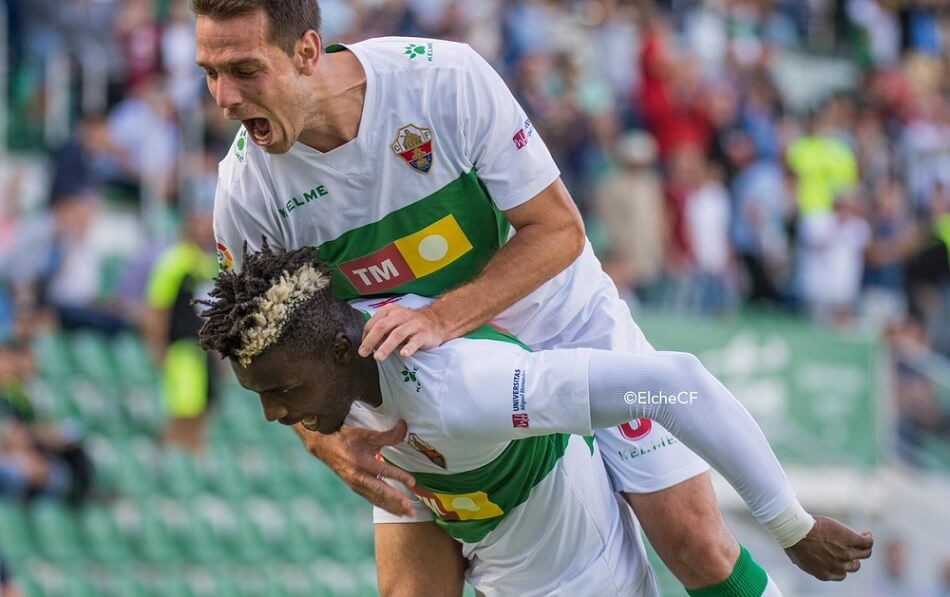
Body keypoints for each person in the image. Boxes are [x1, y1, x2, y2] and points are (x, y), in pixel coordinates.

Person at [194, 1, 858, 594]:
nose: (224, 97)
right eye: (209, 73)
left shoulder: (440, 81)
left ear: (307, 50)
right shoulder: (247, 191)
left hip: (561, 327)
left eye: (245, 71)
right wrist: (322, 439)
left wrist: (441, 317)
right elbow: (262, 343)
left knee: (696, 544)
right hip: (420, 387)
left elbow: (560, 230)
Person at [197, 244, 873, 596]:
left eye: (281, 390)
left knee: (703, 545)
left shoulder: (464, 388)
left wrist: (792, 524)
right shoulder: (347, 367)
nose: (276, 414)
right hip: (496, 550)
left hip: (580, 582)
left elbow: (678, 383)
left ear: (343, 351)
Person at [142, 198, 218, 451]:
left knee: (204, 411)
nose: (205, 228)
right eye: (199, 221)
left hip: (204, 350)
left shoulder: (207, 263)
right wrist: (157, 345)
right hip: (182, 349)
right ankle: (170, 460)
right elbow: (158, 307)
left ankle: (191, 465)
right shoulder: (174, 261)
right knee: (182, 411)